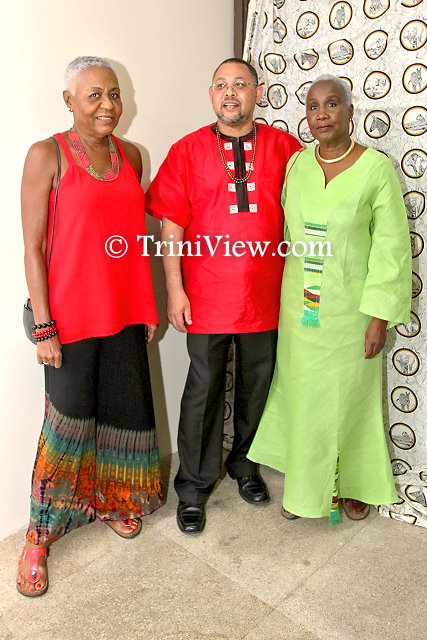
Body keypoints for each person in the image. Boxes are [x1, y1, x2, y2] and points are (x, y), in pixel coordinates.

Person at [17, 56, 164, 597]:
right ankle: (38, 536)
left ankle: (114, 501)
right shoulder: (47, 154)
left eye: (114, 94)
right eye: (94, 94)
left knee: (123, 412)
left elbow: (131, 240)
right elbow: (33, 248)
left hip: (123, 313)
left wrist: (146, 307)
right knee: (67, 426)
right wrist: (44, 328)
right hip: (70, 318)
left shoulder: (133, 156)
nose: (108, 105)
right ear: (69, 100)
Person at [146, 58, 301, 533]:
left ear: (258, 92)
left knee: (258, 386)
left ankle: (245, 465)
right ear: (211, 94)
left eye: (240, 84)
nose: (230, 92)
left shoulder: (286, 149)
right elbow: (171, 226)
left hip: (267, 295)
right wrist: (174, 290)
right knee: (203, 391)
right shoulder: (187, 151)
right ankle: (193, 488)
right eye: (221, 85)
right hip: (206, 294)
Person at [248, 75, 412, 523]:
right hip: (300, 312)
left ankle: (355, 484)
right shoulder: (297, 165)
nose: (321, 114)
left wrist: (378, 318)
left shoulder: (376, 169)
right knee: (305, 400)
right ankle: (304, 490)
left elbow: (391, 248)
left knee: (350, 401)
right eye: (313, 106)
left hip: (350, 313)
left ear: (350, 112)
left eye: (332, 104)